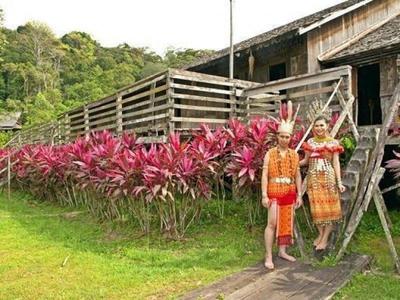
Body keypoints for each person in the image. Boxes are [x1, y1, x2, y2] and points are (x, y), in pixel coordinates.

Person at [261, 101, 303, 270]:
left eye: (287, 137)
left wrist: (300, 194)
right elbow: (264, 174)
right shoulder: (270, 153)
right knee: (272, 223)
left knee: (287, 222)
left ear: (290, 138)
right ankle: (269, 255)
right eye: (282, 136)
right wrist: (264, 194)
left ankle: (282, 251)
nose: (285, 139)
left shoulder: (294, 155)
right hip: (274, 193)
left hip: (290, 193)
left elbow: (298, 175)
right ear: (277, 136)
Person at [300, 115, 345, 252]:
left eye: (322, 125)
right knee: (316, 209)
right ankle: (321, 234)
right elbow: (306, 161)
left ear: (327, 126)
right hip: (313, 180)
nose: (319, 128)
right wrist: (292, 163)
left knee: (329, 209)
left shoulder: (333, 143)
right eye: (316, 125)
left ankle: (325, 239)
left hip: (328, 179)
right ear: (313, 127)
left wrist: (339, 182)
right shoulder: (310, 142)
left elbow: (336, 163)